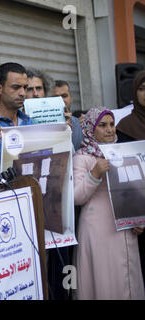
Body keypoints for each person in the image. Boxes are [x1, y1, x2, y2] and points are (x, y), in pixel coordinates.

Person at [73, 107, 144, 299]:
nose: (110, 130)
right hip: (99, 232)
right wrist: (94, 173)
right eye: (102, 125)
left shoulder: (123, 153)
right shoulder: (82, 157)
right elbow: (77, 197)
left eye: (112, 124)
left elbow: (134, 192)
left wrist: (139, 220)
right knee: (105, 282)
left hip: (125, 227)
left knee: (128, 281)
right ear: (90, 129)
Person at [116, 70, 145, 287]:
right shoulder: (125, 127)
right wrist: (135, 216)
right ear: (135, 93)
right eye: (142, 89)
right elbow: (123, 176)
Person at [52, 80, 83, 151]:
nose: (61, 100)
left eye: (64, 96)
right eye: (56, 97)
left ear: (71, 98)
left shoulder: (79, 124)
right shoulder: (45, 124)